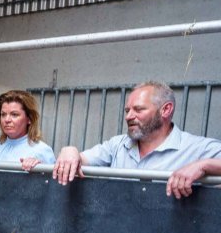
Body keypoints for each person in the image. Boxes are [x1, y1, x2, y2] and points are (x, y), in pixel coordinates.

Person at [53, 80, 221, 198]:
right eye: (127, 111)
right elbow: (81, 159)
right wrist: (70, 150)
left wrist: (203, 165)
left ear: (166, 110)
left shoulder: (196, 148)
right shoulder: (117, 145)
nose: (129, 116)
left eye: (138, 109)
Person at [0, 90, 55, 171]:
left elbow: (51, 182)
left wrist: (38, 171)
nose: (7, 120)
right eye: (3, 114)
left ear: (29, 119)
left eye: (14, 114)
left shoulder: (41, 150)